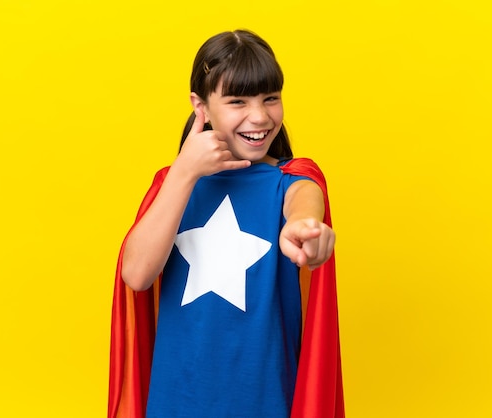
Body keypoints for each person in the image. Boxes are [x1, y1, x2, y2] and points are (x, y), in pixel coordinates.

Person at [108, 29, 344, 418]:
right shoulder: (171, 185)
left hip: (265, 400)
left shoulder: (292, 180)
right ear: (200, 106)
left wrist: (304, 227)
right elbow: (135, 275)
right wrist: (184, 172)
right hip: (176, 400)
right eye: (238, 101)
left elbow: (305, 202)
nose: (260, 116)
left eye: (271, 98)